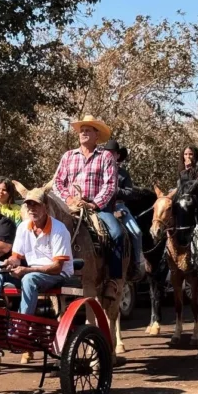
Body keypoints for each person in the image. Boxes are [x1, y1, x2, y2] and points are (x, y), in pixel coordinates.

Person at [0, 188, 74, 314]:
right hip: (33, 272)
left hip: (57, 275)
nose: (31, 208)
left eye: (36, 204)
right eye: (29, 205)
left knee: (29, 279)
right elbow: (16, 258)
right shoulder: (23, 227)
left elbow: (57, 267)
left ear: (45, 207)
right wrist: (9, 262)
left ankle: (22, 321)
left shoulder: (59, 229)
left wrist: (27, 270)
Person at [52, 115, 123, 280]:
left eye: (88, 130)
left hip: (96, 209)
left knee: (116, 233)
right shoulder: (68, 156)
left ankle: (114, 279)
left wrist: (94, 204)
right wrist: (69, 199)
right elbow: (57, 183)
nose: (83, 133)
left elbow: (110, 185)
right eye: (81, 130)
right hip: (70, 207)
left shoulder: (105, 156)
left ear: (96, 135)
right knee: (49, 229)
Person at [105, 138, 144, 277]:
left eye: (112, 153)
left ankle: (136, 264)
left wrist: (114, 190)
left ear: (118, 155)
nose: (109, 155)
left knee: (137, 232)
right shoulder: (98, 170)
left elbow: (129, 193)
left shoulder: (123, 174)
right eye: (107, 152)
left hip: (119, 205)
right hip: (101, 205)